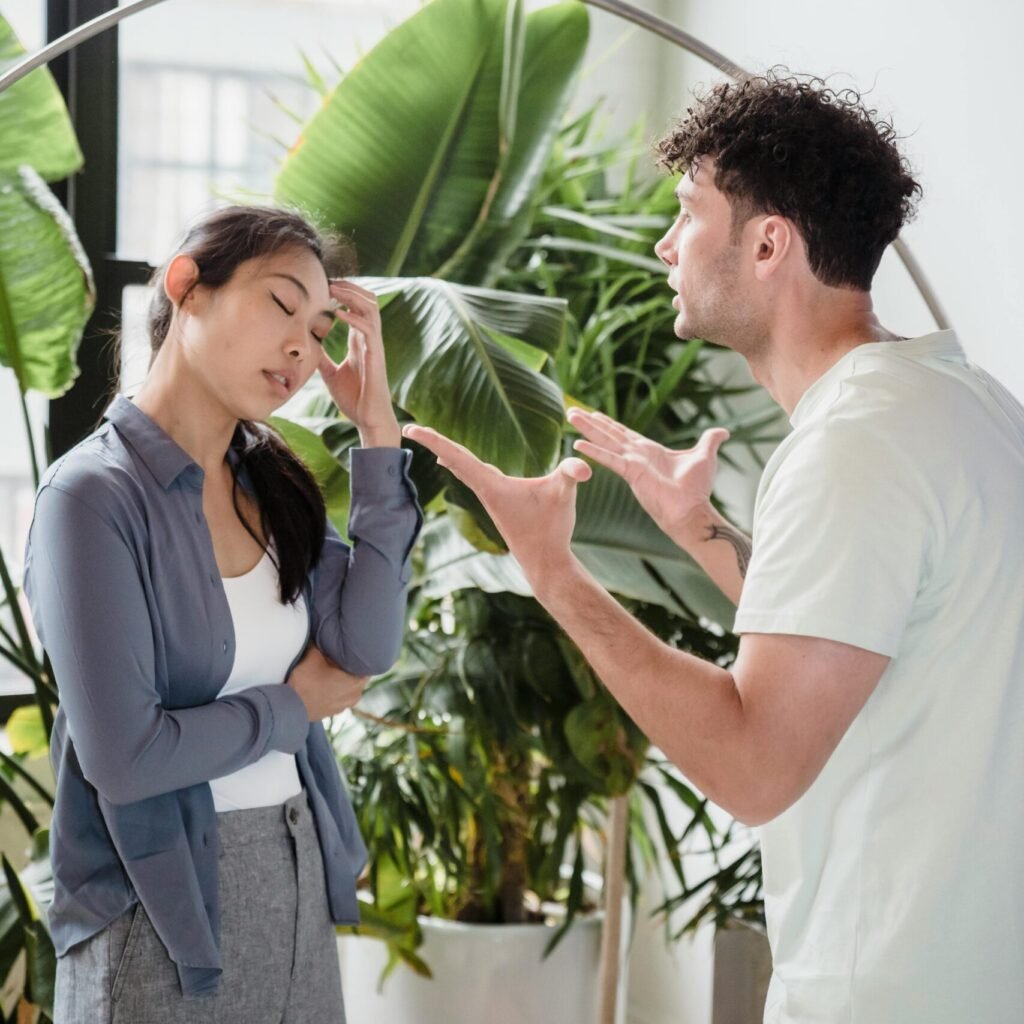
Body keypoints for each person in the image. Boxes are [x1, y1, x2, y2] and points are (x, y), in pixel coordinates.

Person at [404, 70, 1024, 1022]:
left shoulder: (852, 446)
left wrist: (554, 573)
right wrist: (697, 527)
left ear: (769, 242)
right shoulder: (965, 403)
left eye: (689, 210)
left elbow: (752, 764)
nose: (665, 241)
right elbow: (868, 640)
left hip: (882, 993)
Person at [22, 205, 423, 1022]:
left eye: (318, 332)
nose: (303, 352)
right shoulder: (90, 498)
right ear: (188, 288)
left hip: (296, 864)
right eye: (281, 306)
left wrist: (377, 434)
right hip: (160, 901)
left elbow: (366, 643)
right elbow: (126, 759)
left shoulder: (272, 484)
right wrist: (296, 706)